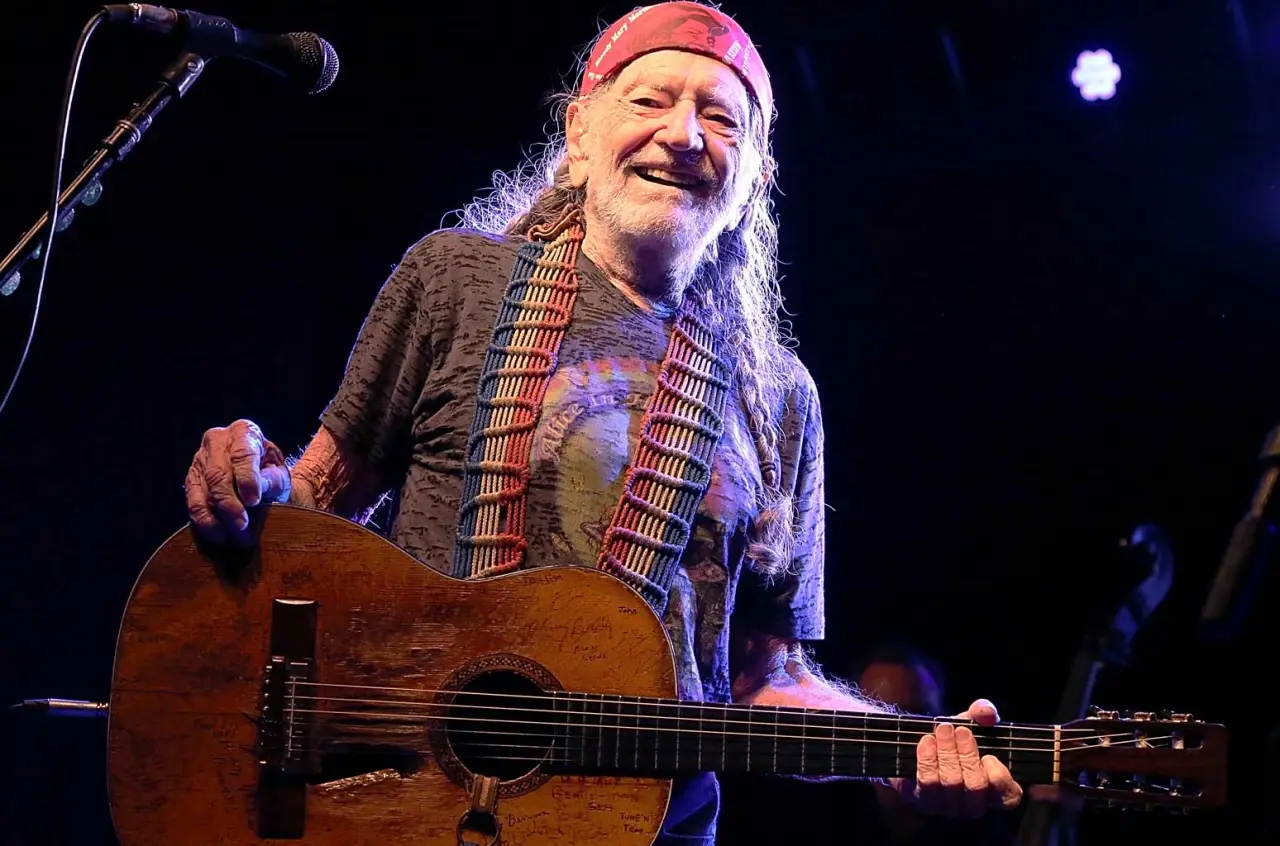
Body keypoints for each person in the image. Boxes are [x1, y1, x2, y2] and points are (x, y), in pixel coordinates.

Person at [180, 2, 1024, 842]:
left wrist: (903, 748)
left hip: (647, 823)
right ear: (579, 136)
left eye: (720, 117)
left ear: (756, 181)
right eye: (651, 101)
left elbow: (765, 679)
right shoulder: (455, 281)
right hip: (407, 803)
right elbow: (319, 499)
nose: (684, 135)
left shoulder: (779, 395)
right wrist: (249, 477)